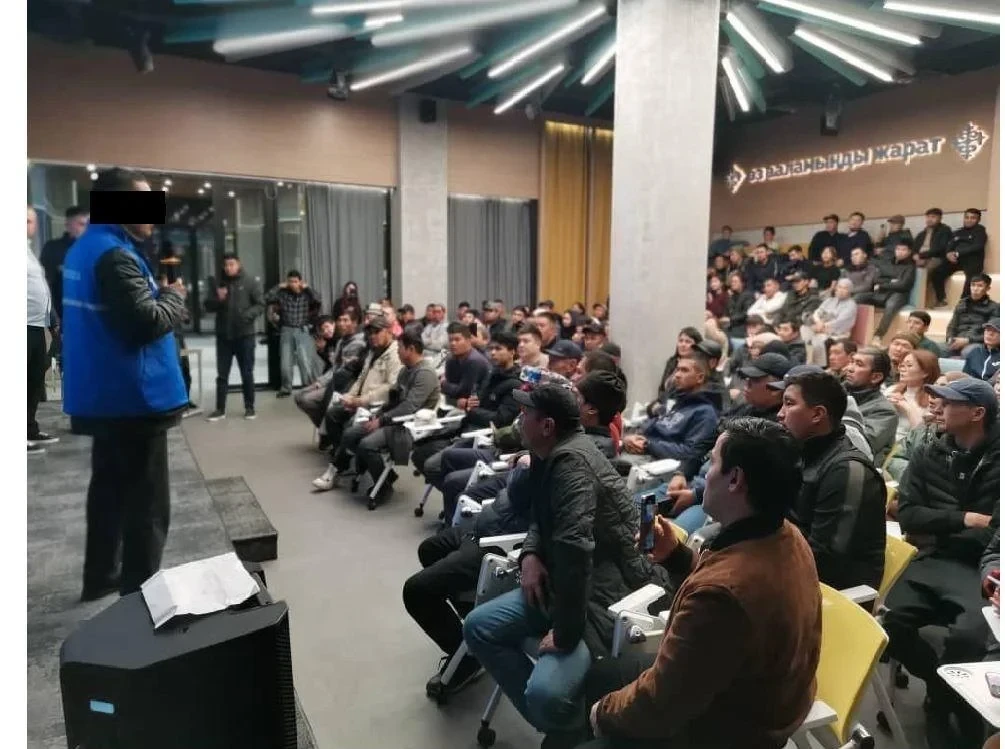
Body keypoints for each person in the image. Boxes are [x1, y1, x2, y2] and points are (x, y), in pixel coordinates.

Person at [581, 418, 821, 749]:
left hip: (721, 731)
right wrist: (676, 557)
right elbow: (727, 586)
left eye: (713, 462)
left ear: (735, 479)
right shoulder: (785, 535)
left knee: (591, 717)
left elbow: (661, 706)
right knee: (603, 674)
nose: (706, 473)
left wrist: (601, 714)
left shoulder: (722, 597)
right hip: (760, 697)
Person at [463, 383, 671, 745]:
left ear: (547, 426)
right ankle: (567, 730)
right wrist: (530, 554)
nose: (519, 418)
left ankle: (572, 729)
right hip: (562, 584)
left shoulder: (572, 465)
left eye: (526, 413)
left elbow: (576, 552)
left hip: (605, 594)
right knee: (478, 626)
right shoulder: (549, 454)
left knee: (545, 694)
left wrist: (564, 634)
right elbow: (542, 518)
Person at [61, 168, 190, 601]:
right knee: (148, 509)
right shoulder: (115, 256)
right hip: (134, 398)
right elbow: (145, 323)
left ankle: (100, 576)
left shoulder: (85, 248)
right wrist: (174, 296)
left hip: (105, 396)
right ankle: (140, 602)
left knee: (109, 492)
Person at [884, 377, 999, 745]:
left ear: (977, 413)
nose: (938, 407)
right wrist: (966, 519)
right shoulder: (928, 450)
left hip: (979, 566)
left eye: (949, 402)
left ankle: (947, 704)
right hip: (932, 558)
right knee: (884, 623)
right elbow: (908, 515)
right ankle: (941, 688)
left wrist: (939, 526)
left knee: (970, 636)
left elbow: (995, 533)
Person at [775, 367, 886, 590]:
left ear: (817, 414)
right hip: (789, 565)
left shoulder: (848, 470)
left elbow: (826, 561)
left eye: (789, 404)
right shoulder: (799, 450)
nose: (780, 413)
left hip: (832, 591)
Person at [322, 330, 439, 506]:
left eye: (399, 348)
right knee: (350, 434)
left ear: (411, 349)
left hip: (410, 426)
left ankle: (383, 486)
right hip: (395, 420)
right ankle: (386, 475)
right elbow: (394, 400)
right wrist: (377, 414)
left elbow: (410, 407)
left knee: (366, 444)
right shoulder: (405, 371)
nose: (397, 351)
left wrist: (381, 421)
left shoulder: (425, 374)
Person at [313, 316, 402, 490]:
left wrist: (360, 401)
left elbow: (390, 387)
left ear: (389, 331)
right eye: (370, 333)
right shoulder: (373, 352)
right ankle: (345, 459)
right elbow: (361, 379)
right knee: (332, 414)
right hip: (361, 401)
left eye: (377, 332)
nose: (373, 336)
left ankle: (337, 468)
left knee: (351, 430)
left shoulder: (395, 354)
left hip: (377, 405)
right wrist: (349, 397)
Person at [626, 355, 719, 472]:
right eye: (677, 369)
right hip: (642, 453)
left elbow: (691, 452)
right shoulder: (677, 400)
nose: (677, 375)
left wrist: (648, 445)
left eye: (684, 370)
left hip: (658, 466)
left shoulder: (705, 413)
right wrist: (632, 438)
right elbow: (655, 423)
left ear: (700, 378)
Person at [204, 253, 264, 421]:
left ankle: (250, 407)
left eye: (231, 264)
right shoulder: (218, 283)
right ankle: (220, 409)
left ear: (238, 264)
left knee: (247, 372)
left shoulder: (250, 281)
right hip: (224, 336)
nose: (228, 268)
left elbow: (260, 304)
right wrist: (219, 299)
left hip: (245, 335)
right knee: (222, 374)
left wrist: (246, 316)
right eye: (226, 265)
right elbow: (207, 306)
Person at [295, 313, 366, 431]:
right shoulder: (340, 341)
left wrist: (321, 382)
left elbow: (342, 371)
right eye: (340, 320)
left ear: (354, 323)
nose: (341, 324)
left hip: (343, 384)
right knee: (298, 396)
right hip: (332, 379)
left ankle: (327, 428)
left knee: (305, 399)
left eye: (345, 320)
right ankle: (325, 427)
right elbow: (334, 366)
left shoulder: (358, 342)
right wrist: (320, 381)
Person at [27, 206, 59, 454]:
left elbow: (41, 289)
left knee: (34, 380)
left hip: (37, 326)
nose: (28, 225)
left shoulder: (28, 251)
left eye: (30, 221)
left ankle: (29, 429)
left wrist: (52, 319)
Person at [265, 270, 321, 397]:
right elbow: (267, 298)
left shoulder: (306, 294)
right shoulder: (283, 294)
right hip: (287, 329)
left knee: (305, 361)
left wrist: (308, 288)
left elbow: (318, 299)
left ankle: (307, 387)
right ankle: (286, 388)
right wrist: (279, 286)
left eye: (295, 281)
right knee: (285, 361)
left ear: (300, 282)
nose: (293, 284)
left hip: (302, 329)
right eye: (290, 281)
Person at [843, 347, 898, 466]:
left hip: (856, 467)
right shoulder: (837, 392)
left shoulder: (884, 411)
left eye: (859, 364)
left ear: (876, 377)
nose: (849, 368)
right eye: (851, 362)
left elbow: (859, 445)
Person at [855, 239, 917, 341]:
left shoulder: (910, 266)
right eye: (898, 249)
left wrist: (884, 285)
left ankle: (878, 336)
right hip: (880, 293)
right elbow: (876, 279)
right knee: (858, 297)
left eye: (903, 250)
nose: (900, 252)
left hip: (898, 295)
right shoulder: (887, 262)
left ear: (909, 252)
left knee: (891, 305)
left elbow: (903, 285)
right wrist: (891, 281)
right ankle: (851, 329)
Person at [929, 208, 988, 307]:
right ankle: (941, 299)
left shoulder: (980, 231)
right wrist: (948, 254)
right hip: (956, 260)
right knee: (937, 273)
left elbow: (978, 246)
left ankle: (964, 302)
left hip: (972, 260)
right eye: (967, 217)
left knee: (972, 276)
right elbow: (949, 245)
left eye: (973, 218)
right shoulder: (958, 232)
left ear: (978, 220)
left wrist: (957, 253)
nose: (969, 220)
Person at [39, 205, 89, 321]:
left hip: (90, 315)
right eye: (81, 224)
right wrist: (52, 316)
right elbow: (45, 285)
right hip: (63, 315)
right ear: (68, 225)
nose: (86, 229)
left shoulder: (95, 249)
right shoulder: (53, 248)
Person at [886, 349, 940, 442]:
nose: (902, 369)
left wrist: (905, 405)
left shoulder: (933, 399)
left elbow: (921, 434)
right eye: (902, 365)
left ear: (925, 373)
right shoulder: (892, 390)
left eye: (909, 365)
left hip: (907, 444)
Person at [943, 274, 1000, 358]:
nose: (975, 289)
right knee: (939, 349)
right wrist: (950, 338)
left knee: (968, 352)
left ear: (987, 288)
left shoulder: (994, 307)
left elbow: (992, 332)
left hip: (977, 342)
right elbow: (952, 326)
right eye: (973, 285)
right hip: (957, 339)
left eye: (980, 286)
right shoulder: (961, 303)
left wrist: (968, 340)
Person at [803, 278, 856, 365]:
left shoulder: (851, 305)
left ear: (850, 291)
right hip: (820, 327)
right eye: (839, 287)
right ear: (836, 288)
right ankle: (808, 361)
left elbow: (840, 322)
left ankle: (820, 365)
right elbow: (817, 312)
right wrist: (818, 322)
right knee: (804, 330)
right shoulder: (829, 300)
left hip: (837, 333)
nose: (841, 290)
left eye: (845, 288)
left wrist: (823, 326)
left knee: (817, 339)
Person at [441, 322, 491, 404]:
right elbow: (449, 391)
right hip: (454, 403)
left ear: (468, 340)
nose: (453, 343)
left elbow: (465, 392)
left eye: (457, 340)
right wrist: (448, 387)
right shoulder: (451, 359)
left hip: (479, 404)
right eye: (450, 340)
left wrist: (443, 383)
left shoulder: (474, 361)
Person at [656, 326, 702, 401]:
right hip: (665, 402)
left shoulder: (700, 366)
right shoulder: (672, 362)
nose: (683, 344)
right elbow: (662, 388)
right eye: (681, 341)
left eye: (688, 342)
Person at [913, 207, 954, 275]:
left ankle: (922, 281)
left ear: (940, 218)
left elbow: (941, 248)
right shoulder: (921, 234)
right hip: (919, 258)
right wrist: (915, 256)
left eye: (933, 217)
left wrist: (921, 256)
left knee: (923, 272)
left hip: (935, 258)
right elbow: (914, 248)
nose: (930, 219)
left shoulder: (944, 230)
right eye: (928, 217)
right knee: (908, 270)